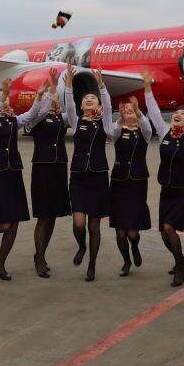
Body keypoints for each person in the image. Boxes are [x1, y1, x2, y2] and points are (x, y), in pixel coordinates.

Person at [0, 77, 44, 281]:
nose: (1, 97)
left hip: (13, 173)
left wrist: (39, 97)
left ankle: (0, 264)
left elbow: (31, 115)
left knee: (14, 223)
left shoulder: (14, 120)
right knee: (3, 224)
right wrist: (3, 94)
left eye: (3, 95)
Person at [143, 69, 184, 287]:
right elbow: (154, 111)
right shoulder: (164, 133)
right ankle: (180, 259)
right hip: (167, 191)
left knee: (169, 228)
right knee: (164, 234)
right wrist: (147, 87)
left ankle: (180, 267)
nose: (178, 115)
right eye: (176, 113)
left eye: (183, 114)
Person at [63, 65, 114, 282]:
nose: (89, 100)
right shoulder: (76, 122)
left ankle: (92, 264)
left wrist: (101, 85)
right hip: (79, 178)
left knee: (94, 226)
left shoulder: (106, 124)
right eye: (86, 99)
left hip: (98, 178)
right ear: (81, 105)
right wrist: (68, 86)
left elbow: (109, 106)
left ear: (99, 104)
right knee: (78, 223)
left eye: (93, 98)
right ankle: (81, 246)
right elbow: (69, 105)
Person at [28, 69, 71, 278]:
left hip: (59, 168)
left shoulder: (62, 119)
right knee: (43, 216)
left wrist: (65, 89)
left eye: (56, 102)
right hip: (43, 169)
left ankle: (40, 254)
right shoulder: (37, 119)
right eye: (52, 101)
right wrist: (49, 92)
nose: (54, 104)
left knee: (53, 216)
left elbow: (71, 110)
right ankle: (39, 258)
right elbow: (40, 109)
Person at [108, 95, 152, 276]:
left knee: (133, 233)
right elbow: (112, 133)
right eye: (125, 110)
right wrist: (119, 118)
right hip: (119, 183)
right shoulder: (118, 131)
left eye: (131, 109)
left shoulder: (144, 133)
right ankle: (126, 261)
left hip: (137, 184)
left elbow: (147, 126)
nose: (129, 111)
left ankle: (134, 247)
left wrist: (139, 111)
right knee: (120, 232)